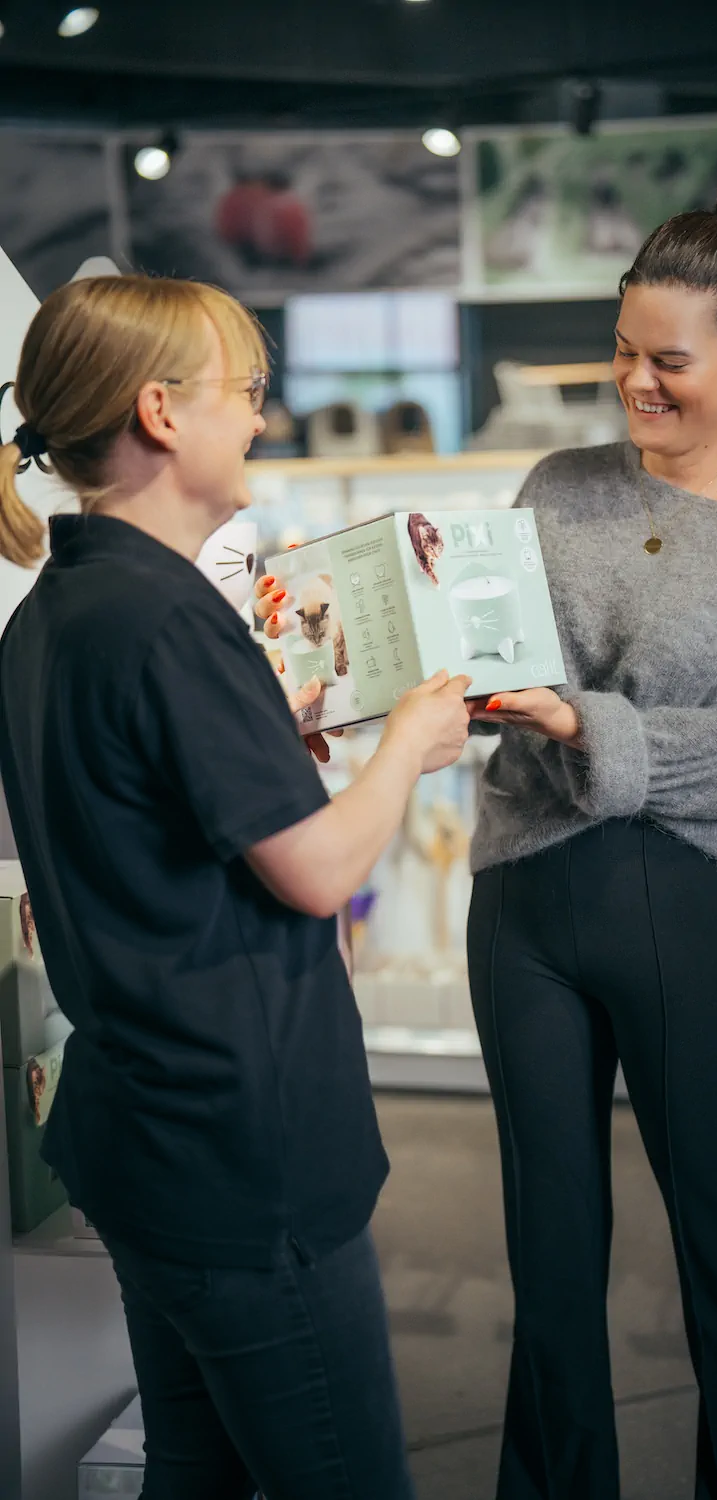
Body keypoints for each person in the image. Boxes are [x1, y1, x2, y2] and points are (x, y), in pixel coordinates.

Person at [260, 184, 717, 1500]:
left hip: (690, 911)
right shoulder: (557, 483)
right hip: (524, 903)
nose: (637, 382)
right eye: (623, 351)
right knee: (551, 1252)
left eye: (670, 361)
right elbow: (496, 670)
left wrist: (583, 721)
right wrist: (382, 655)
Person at [0, 274, 473, 1500]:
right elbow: (317, 872)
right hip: (237, 1150)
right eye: (246, 391)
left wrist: (281, 743)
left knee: (195, 1472)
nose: (263, 416)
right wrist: (406, 746)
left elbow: (137, 835)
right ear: (161, 412)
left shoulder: (57, 611)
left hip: (141, 1134)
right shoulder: (166, 621)